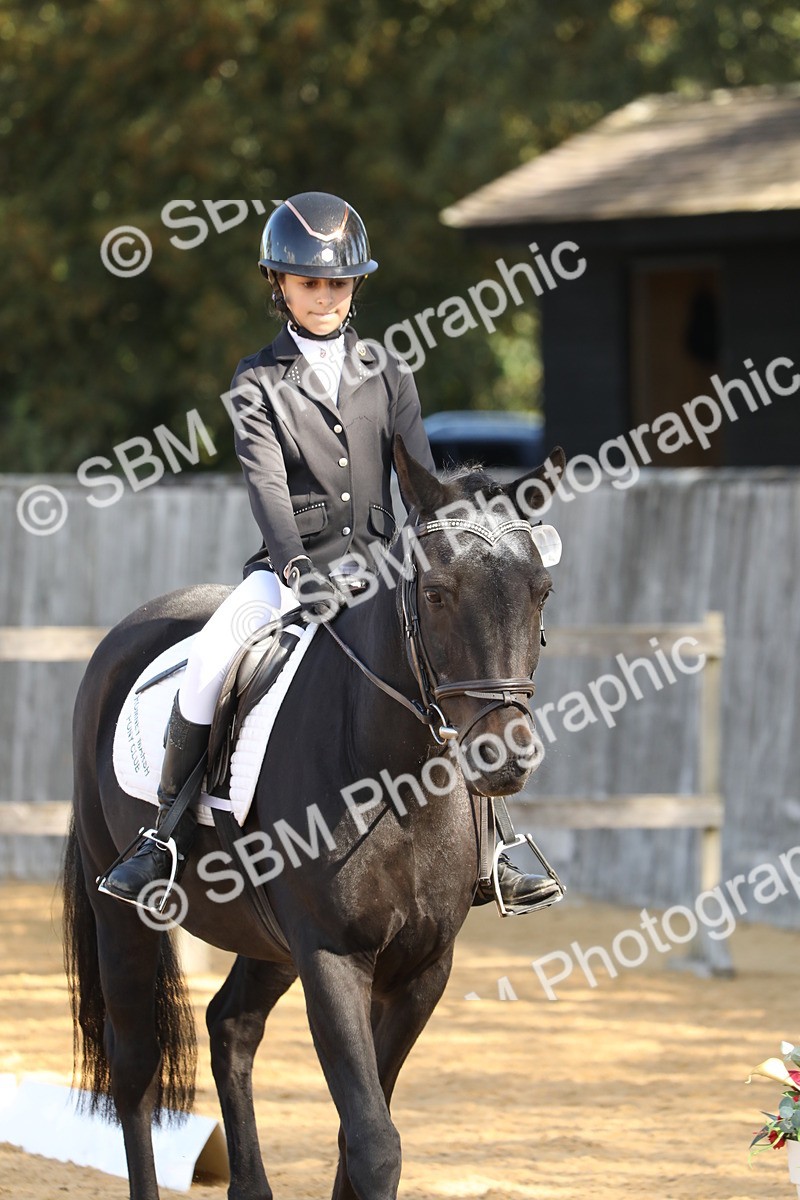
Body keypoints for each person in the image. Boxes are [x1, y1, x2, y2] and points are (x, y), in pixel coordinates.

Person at [101, 191, 559, 914]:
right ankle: (163, 837)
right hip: (290, 577)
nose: (324, 296)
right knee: (215, 657)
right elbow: (267, 490)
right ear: (279, 286)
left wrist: (450, 551)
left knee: (453, 676)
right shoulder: (257, 383)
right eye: (308, 282)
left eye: (336, 283)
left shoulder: (389, 373)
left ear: (355, 287)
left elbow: (421, 484)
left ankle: (495, 845)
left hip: (384, 573)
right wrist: (295, 570)